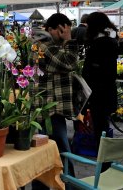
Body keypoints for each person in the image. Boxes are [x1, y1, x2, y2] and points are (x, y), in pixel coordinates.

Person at [32, 13, 79, 190]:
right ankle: (71, 186)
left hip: (51, 108)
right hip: (49, 109)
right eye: (62, 31)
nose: (64, 35)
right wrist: (69, 40)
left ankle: (58, 186)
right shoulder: (44, 46)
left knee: (46, 153)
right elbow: (69, 63)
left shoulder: (47, 44)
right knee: (61, 153)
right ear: (53, 29)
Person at [82, 12, 118, 170]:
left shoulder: (99, 44)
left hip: (98, 94)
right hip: (107, 92)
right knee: (102, 127)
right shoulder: (111, 41)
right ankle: (105, 163)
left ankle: (103, 165)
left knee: (100, 130)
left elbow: (89, 71)